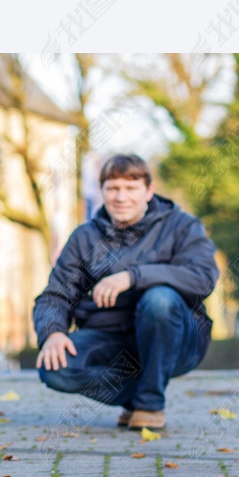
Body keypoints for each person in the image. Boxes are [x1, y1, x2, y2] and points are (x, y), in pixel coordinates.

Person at [33, 154, 219, 431]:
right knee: (54, 368)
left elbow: (203, 277)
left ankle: (151, 404)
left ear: (149, 191)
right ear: (103, 191)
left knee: (160, 299)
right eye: (113, 188)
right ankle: (143, 396)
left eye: (131, 188)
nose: (121, 197)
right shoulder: (85, 237)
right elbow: (55, 296)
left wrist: (133, 277)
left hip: (176, 339)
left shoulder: (182, 227)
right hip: (110, 339)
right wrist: (53, 332)